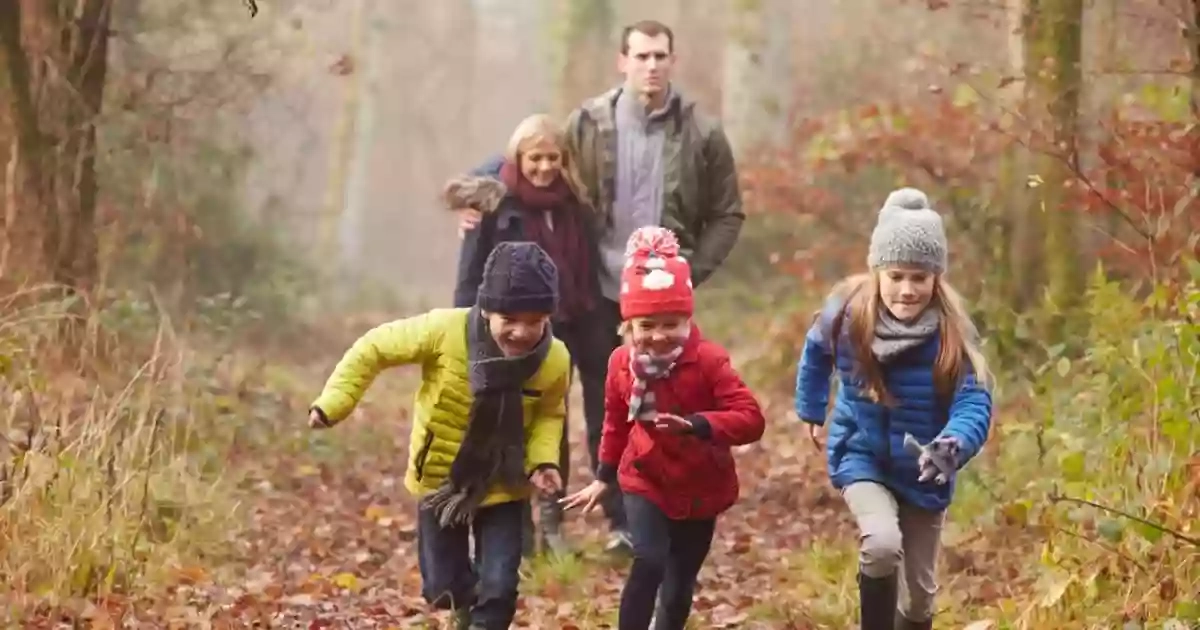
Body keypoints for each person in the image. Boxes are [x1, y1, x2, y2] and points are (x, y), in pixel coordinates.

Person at [455, 20, 746, 553]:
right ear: (623, 61)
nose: (651, 65)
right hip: (591, 289)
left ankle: (630, 521)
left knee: (646, 405)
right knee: (576, 400)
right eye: (641, 55)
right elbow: (527, 155)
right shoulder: (588, 121)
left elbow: (728, 212)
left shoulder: (703, 132)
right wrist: (477, 195)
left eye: (660, 55)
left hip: (657, 300)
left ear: (672, 62)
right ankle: (550, 516)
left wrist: (688, 272)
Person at [307, 242, 571, 630]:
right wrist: (334, 403)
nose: (521, 331)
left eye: (535, 321)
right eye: (509, 318)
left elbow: (549, 413)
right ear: (485, 308)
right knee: (443, 589)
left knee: (499, 587)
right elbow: (374, 348)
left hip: (506, 481)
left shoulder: (555, 358)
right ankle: (464, 607)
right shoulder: (443, 331)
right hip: (442, 479)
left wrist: (543, 460)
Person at [792, 188, 994, 630]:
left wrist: (953, 444)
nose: (907, 289)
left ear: (936, 279)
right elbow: (815, 351)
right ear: (878, 271)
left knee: (920, 601)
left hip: (925, 468)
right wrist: (811, 407)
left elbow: (974, 399)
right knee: (882, 544)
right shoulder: (847, 314)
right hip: (860, 452)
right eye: (897, 275)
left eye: (920, 278)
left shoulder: (952, 333)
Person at [562, 226, 766, 630]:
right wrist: (604, 477)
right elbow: (616, 422)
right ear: (629, 325)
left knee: (678, 584)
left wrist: (697, 425)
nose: (658, 335)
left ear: (687, 320)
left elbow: (750, 419)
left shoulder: (708, 361)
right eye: (647, 325)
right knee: (649, 559)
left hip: (700, 485)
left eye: (670, 323)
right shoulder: (621, 363)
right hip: (645, 476)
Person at [444, 113, 607, 557]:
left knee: (553, 422)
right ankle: (515, 531)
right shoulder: (494, 202)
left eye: (552, 157)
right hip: (506, 332)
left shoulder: (573, 200)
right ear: (518, 157)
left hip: (565, 327)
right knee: (509, 426)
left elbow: (585, 267)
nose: (544, 167)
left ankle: (553, 522)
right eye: (535, 158)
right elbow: (469, 274)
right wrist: (464, 331)